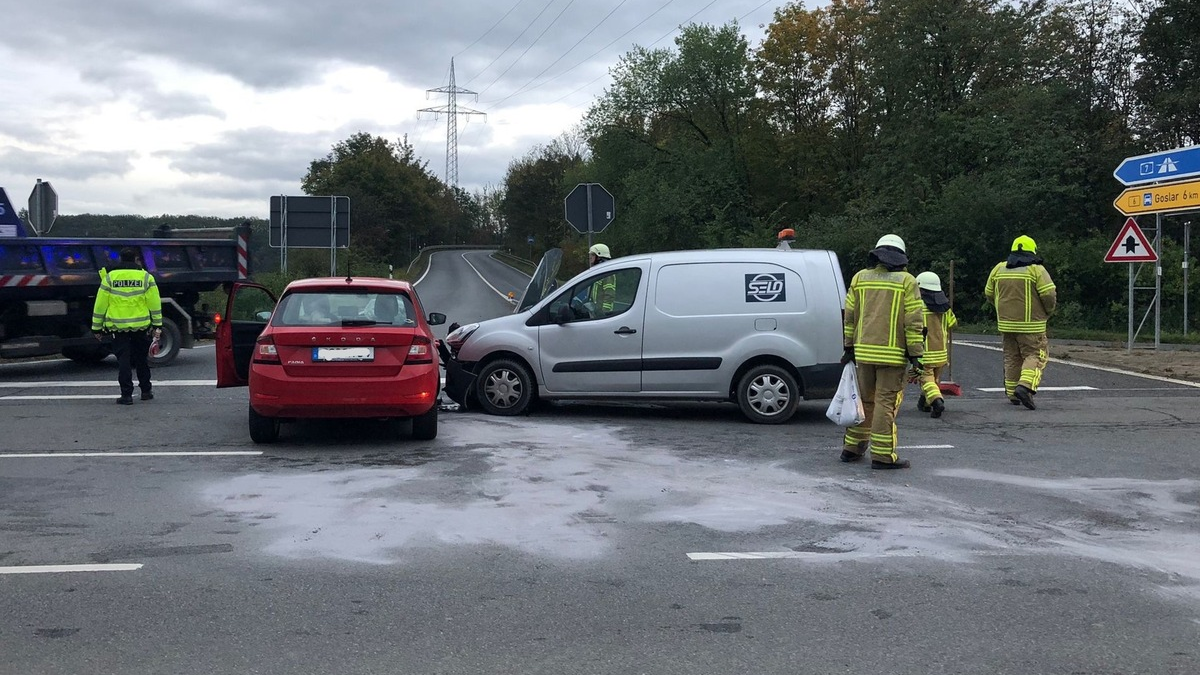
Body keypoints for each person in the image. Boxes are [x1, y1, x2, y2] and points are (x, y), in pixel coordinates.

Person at [839, 234, 925, 469]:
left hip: (863, 353)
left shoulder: (860, 278)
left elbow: (850, 316)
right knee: (885, 404)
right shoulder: (907, 281)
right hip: (893, 355)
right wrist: (917, 355)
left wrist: (848, 347)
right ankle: (883, 456)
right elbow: (914, 321)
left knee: (864, 401)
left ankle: (852, 448)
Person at [985, 235, 1056, 410]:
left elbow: (988, 293)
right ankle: (1025, 387)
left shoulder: (999, 268)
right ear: (1032, 251)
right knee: (1035, 355)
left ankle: (1012, 394)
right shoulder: (1036, 270)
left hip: (1006, 325)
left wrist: (1001, 309)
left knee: (1012, 358)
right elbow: (1049, 294)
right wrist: (1048, 311)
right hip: (1032, 326)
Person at [92, 247, 162, 405]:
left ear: (121, 260)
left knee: (123, 361)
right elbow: (154, 303)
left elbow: (100, 305)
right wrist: (157, 325)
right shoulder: (146, 277)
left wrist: (97, 328)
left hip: (118, 327)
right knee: (141, 360)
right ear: (135, 259)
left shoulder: (110, 278)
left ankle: (126, 395)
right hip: (141, 326)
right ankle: (146, 391)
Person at [913, 271, 959, 418]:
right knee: (934, 380)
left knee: (925, 379)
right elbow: (953, 323)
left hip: (924, 353)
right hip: (941, 353)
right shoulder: (944, 307)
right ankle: (926, 404)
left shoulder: (917, 305)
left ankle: (936, 401)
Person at [588, 243, 616, 315]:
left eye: (593, 255)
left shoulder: (607, 274)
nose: (590, 257)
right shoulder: (598, 272)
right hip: (595, 313)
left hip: (602, 316)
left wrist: (604, 313)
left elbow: (609, 296)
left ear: (600, 257)